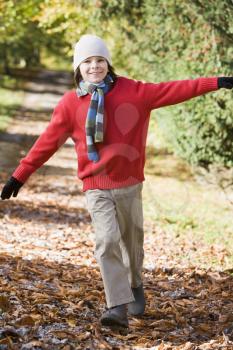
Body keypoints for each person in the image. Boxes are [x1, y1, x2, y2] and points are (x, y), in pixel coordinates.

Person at [1, 34, 233, 329]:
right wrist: (19, 175)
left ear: (108, 64)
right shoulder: (71, 103)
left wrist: (215, 82)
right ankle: (117, 306)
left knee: (132, 245)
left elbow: (175, 89)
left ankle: (135, 284)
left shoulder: (134, 92)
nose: (94, 67)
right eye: (87, 62)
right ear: (78, 68)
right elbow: (47, 143)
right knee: (107, 241)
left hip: (130, 184)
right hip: (96, 185)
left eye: (99, 60)